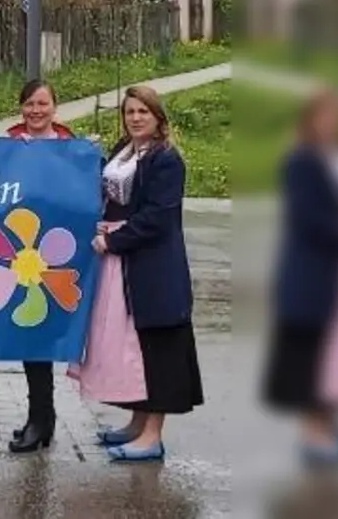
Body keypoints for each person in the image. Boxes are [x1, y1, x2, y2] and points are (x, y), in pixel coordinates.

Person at [88, 85, 204, 462]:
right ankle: (137, 424)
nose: (136, 118)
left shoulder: (166, 160)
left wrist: (114, 240)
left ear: (158, 117)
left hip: (154, 267)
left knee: (158, 349)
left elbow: (158, 217)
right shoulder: (124, 150)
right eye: (130, 111)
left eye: (143, 112)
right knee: (135, 347)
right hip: (126, 266)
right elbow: (112, 197)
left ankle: (152, 436)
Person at [262, 89, 338, 467]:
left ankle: (332, 426)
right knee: (313, 355)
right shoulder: (301, 161)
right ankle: (315, 436)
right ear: (310, 119)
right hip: (312, 271)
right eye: (324, 115)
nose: (332, 122)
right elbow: (308, 218)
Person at [5, 79, 77, 453]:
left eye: (42, 103)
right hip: (22, 252)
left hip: (58, 251)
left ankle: (42, 419)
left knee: (44, 338)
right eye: (30, 104)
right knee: (30, 337)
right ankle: (41, 419)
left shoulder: (70, 147)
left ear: (54, 107)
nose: (36, 110)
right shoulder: (8, 145)